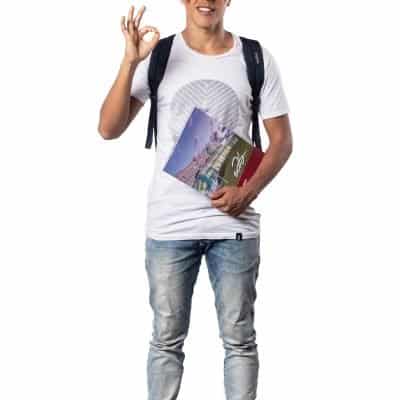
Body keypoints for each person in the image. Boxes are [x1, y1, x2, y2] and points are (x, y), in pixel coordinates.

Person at [98, 1, 293, 399]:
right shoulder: (160, 56)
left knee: (239, 340)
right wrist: (130, 61)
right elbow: (108, 128)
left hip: (234, 227)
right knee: (166, 340)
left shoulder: (255, 58)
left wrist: (247, 191)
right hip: (170, 224)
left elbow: (282, 142)